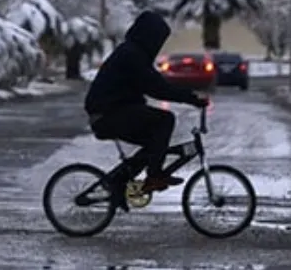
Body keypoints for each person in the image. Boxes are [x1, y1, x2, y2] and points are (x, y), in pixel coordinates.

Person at [84, 11, 209, 195]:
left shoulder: (134, 53)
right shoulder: (131, 55)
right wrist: (190, 98)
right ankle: (154, 176)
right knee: (164, 120)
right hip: (107, 114)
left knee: (155, 142)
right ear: (149, 36)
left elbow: (156, 83)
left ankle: (119, 181)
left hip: (112, 111)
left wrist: (188, 97)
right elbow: (156, 87)